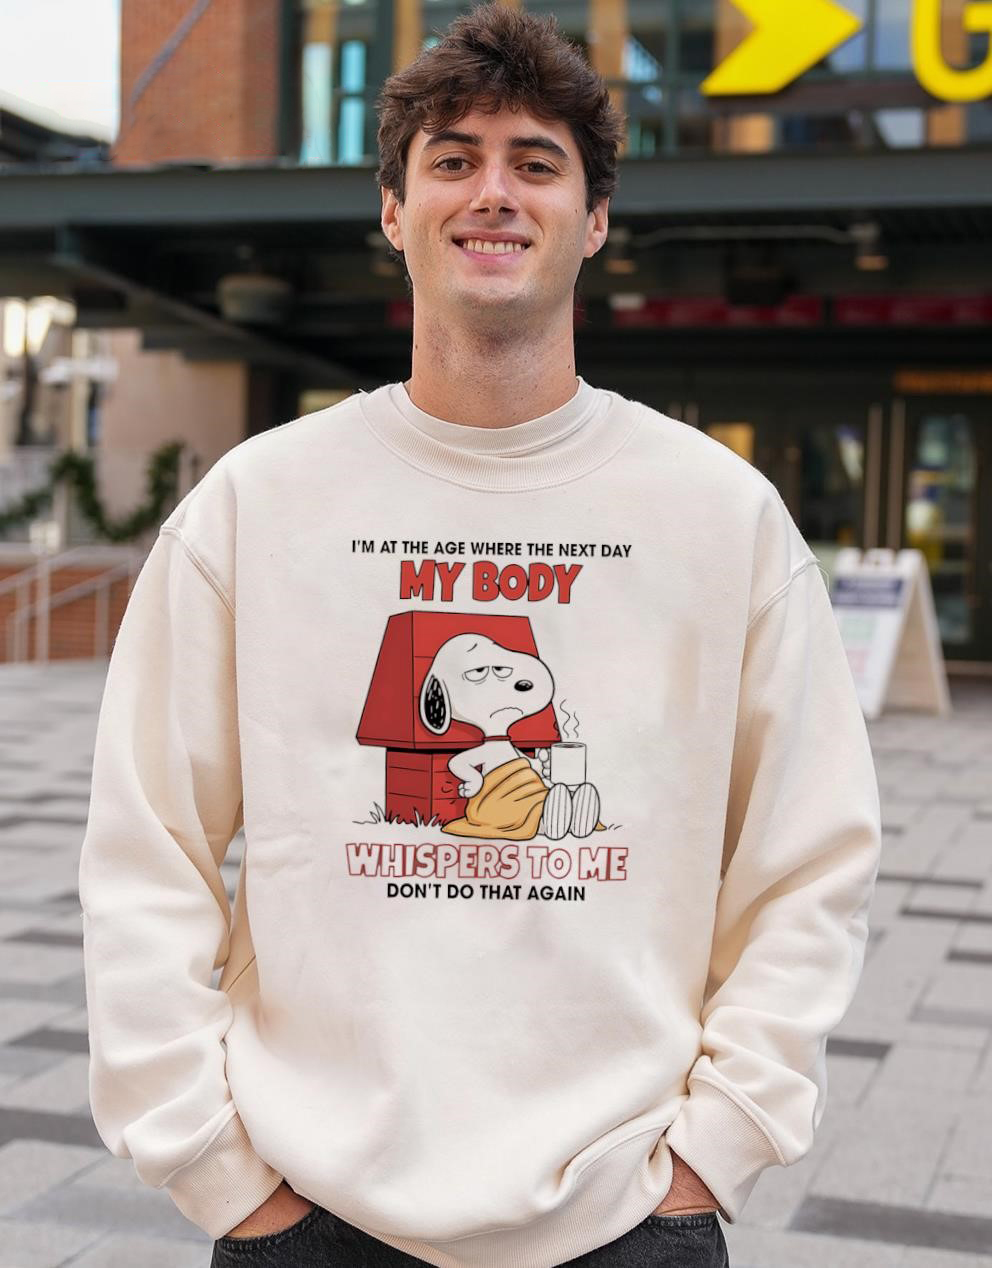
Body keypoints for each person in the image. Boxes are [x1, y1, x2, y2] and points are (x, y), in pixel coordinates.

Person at [77, 4, 882, 1266]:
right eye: (451, 159)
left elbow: (808, 852)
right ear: (393, 211)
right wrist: (214, 1166)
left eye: (534, 162)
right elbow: (147, 847)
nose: (491, 191)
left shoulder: (717, 515)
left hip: (627, 1212)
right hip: (308, 1210)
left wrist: (715, 1147)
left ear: (594, 218)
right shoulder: (256, 504)